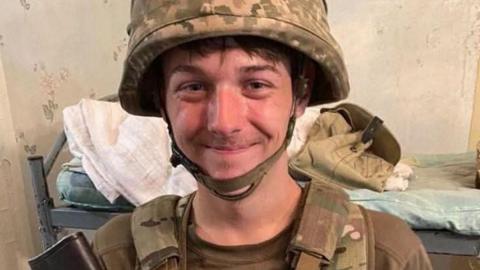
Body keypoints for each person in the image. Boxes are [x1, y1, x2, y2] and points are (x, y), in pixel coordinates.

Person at [92, 1, 433, 269]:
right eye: (193, 87)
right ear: (161, 101)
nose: (224, 123)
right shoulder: (116, 255)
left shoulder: (386, 256)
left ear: (300, 94)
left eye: (256, 85)